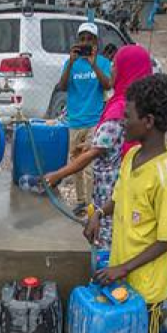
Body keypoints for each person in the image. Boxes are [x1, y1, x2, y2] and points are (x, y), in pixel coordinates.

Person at [85, 72, 167, 333]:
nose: (122, 120)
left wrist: (124, 268)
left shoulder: (165, 177)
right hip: (123, 271)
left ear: (149, 121)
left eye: (127, 115)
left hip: (147, 285)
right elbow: (119, 197)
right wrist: (99, 213)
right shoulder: (131, 156)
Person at [43, 45, 154, 247]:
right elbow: (112, 142)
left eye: (115, 65)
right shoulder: (136, 105)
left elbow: (96, 152)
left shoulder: (121, 107)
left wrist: (56, 175)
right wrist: (87, 144)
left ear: (127, 70)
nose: (111, 69)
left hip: (111, 191)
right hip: (124, 190)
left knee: (109, 240)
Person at [55, 22, 113, 212]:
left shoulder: (103, 63)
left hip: (94, 121)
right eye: (82, 39)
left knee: (89, 165)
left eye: (89, 39)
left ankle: (90, 204)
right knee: (75, 161)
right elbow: (62, 86)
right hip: (75, 120)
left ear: (96, 42)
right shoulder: (71, 63)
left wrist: (94, 63)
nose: (85, 42)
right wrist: (71, 62)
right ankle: (80, 201)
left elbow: (107, 85)